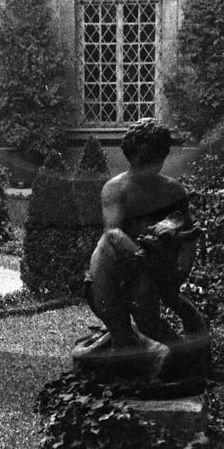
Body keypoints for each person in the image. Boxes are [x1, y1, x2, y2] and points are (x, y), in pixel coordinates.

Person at [83, 118, 206, 364]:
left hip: (147, 267)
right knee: (116, 322)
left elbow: (189, 235)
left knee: (148, 321)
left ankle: (180, 361)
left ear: (162, 157)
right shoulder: (115, 189)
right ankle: (126, 368)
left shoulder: (173, 191)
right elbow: (113, 233)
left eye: (154, 159)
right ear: (130, 156)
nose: (148, 166)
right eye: (142, 159)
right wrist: (144, 258)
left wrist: (180, 271)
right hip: (111, 261)